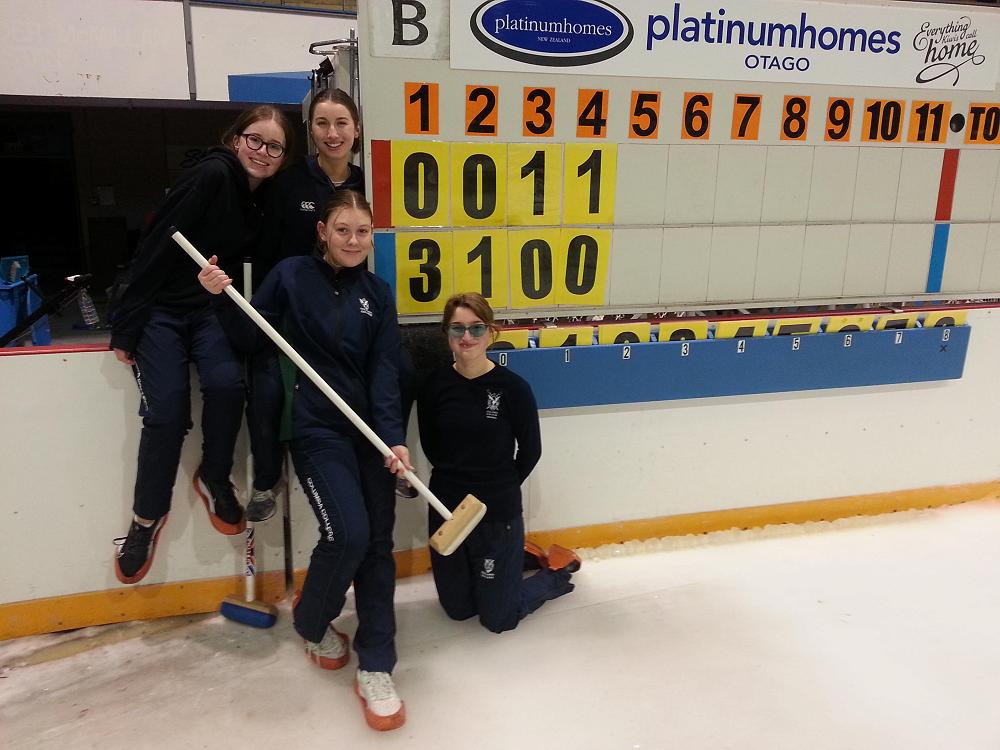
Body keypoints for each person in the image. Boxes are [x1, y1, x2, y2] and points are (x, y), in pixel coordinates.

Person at [198, 189, 410, 732]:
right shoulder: (292, 275)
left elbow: (386, 371)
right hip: (316, 429)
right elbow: (250, 335)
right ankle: (313, 620)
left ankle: (378, 665)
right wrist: (221, 296)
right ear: (323, 231)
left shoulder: (378, 294)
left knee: (379, 546)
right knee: (349, 534)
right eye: (343, 229)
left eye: (363, 231)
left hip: (369, 435)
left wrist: (393, 439)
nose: (354, 241)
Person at [110, 105, 294, 586]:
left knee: (228, 386)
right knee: (168, 415)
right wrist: (127, 325)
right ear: (236, 139)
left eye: (274, 147)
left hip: (207, 308)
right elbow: (154, 245)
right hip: (162, 313)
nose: (262, 152)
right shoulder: (213, 174)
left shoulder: (261, 197)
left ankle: (214, 476)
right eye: (255, 140)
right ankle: (145, 520)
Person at [244, 87, 413, 523]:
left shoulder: (369, 179)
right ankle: (267, 479)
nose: (332, 133)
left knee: (400, 370)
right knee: (263, 386)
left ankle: (389, 450)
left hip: (349, 305)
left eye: (341, 123)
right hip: (292, 306)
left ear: (356, 130)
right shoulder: (290, 182)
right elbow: (268, 251)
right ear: (311, 129)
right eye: (322, 123)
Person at [416, 293, 582, 634]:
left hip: (496, 512)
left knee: (497, 618)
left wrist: (499, 490)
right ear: (446, 333)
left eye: (476, 329)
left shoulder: (513, 388)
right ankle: (515, 558)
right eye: (457, 328)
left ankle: (554, 572)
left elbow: (530, 451)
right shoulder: (433, 386)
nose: (466, 338)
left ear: (491, 333)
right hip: (448, 511)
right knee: (459, 611)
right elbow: (431, 445)